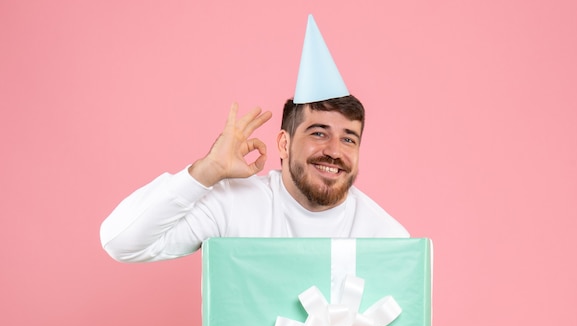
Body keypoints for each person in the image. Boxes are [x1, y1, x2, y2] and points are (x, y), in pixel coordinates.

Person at [100, 95, 409, 262]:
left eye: (349, 140)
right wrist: (206, 171)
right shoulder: (233, 202)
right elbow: (122, 243)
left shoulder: (389, 239)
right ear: (284, 144)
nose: (334, 151)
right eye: (319, 133)